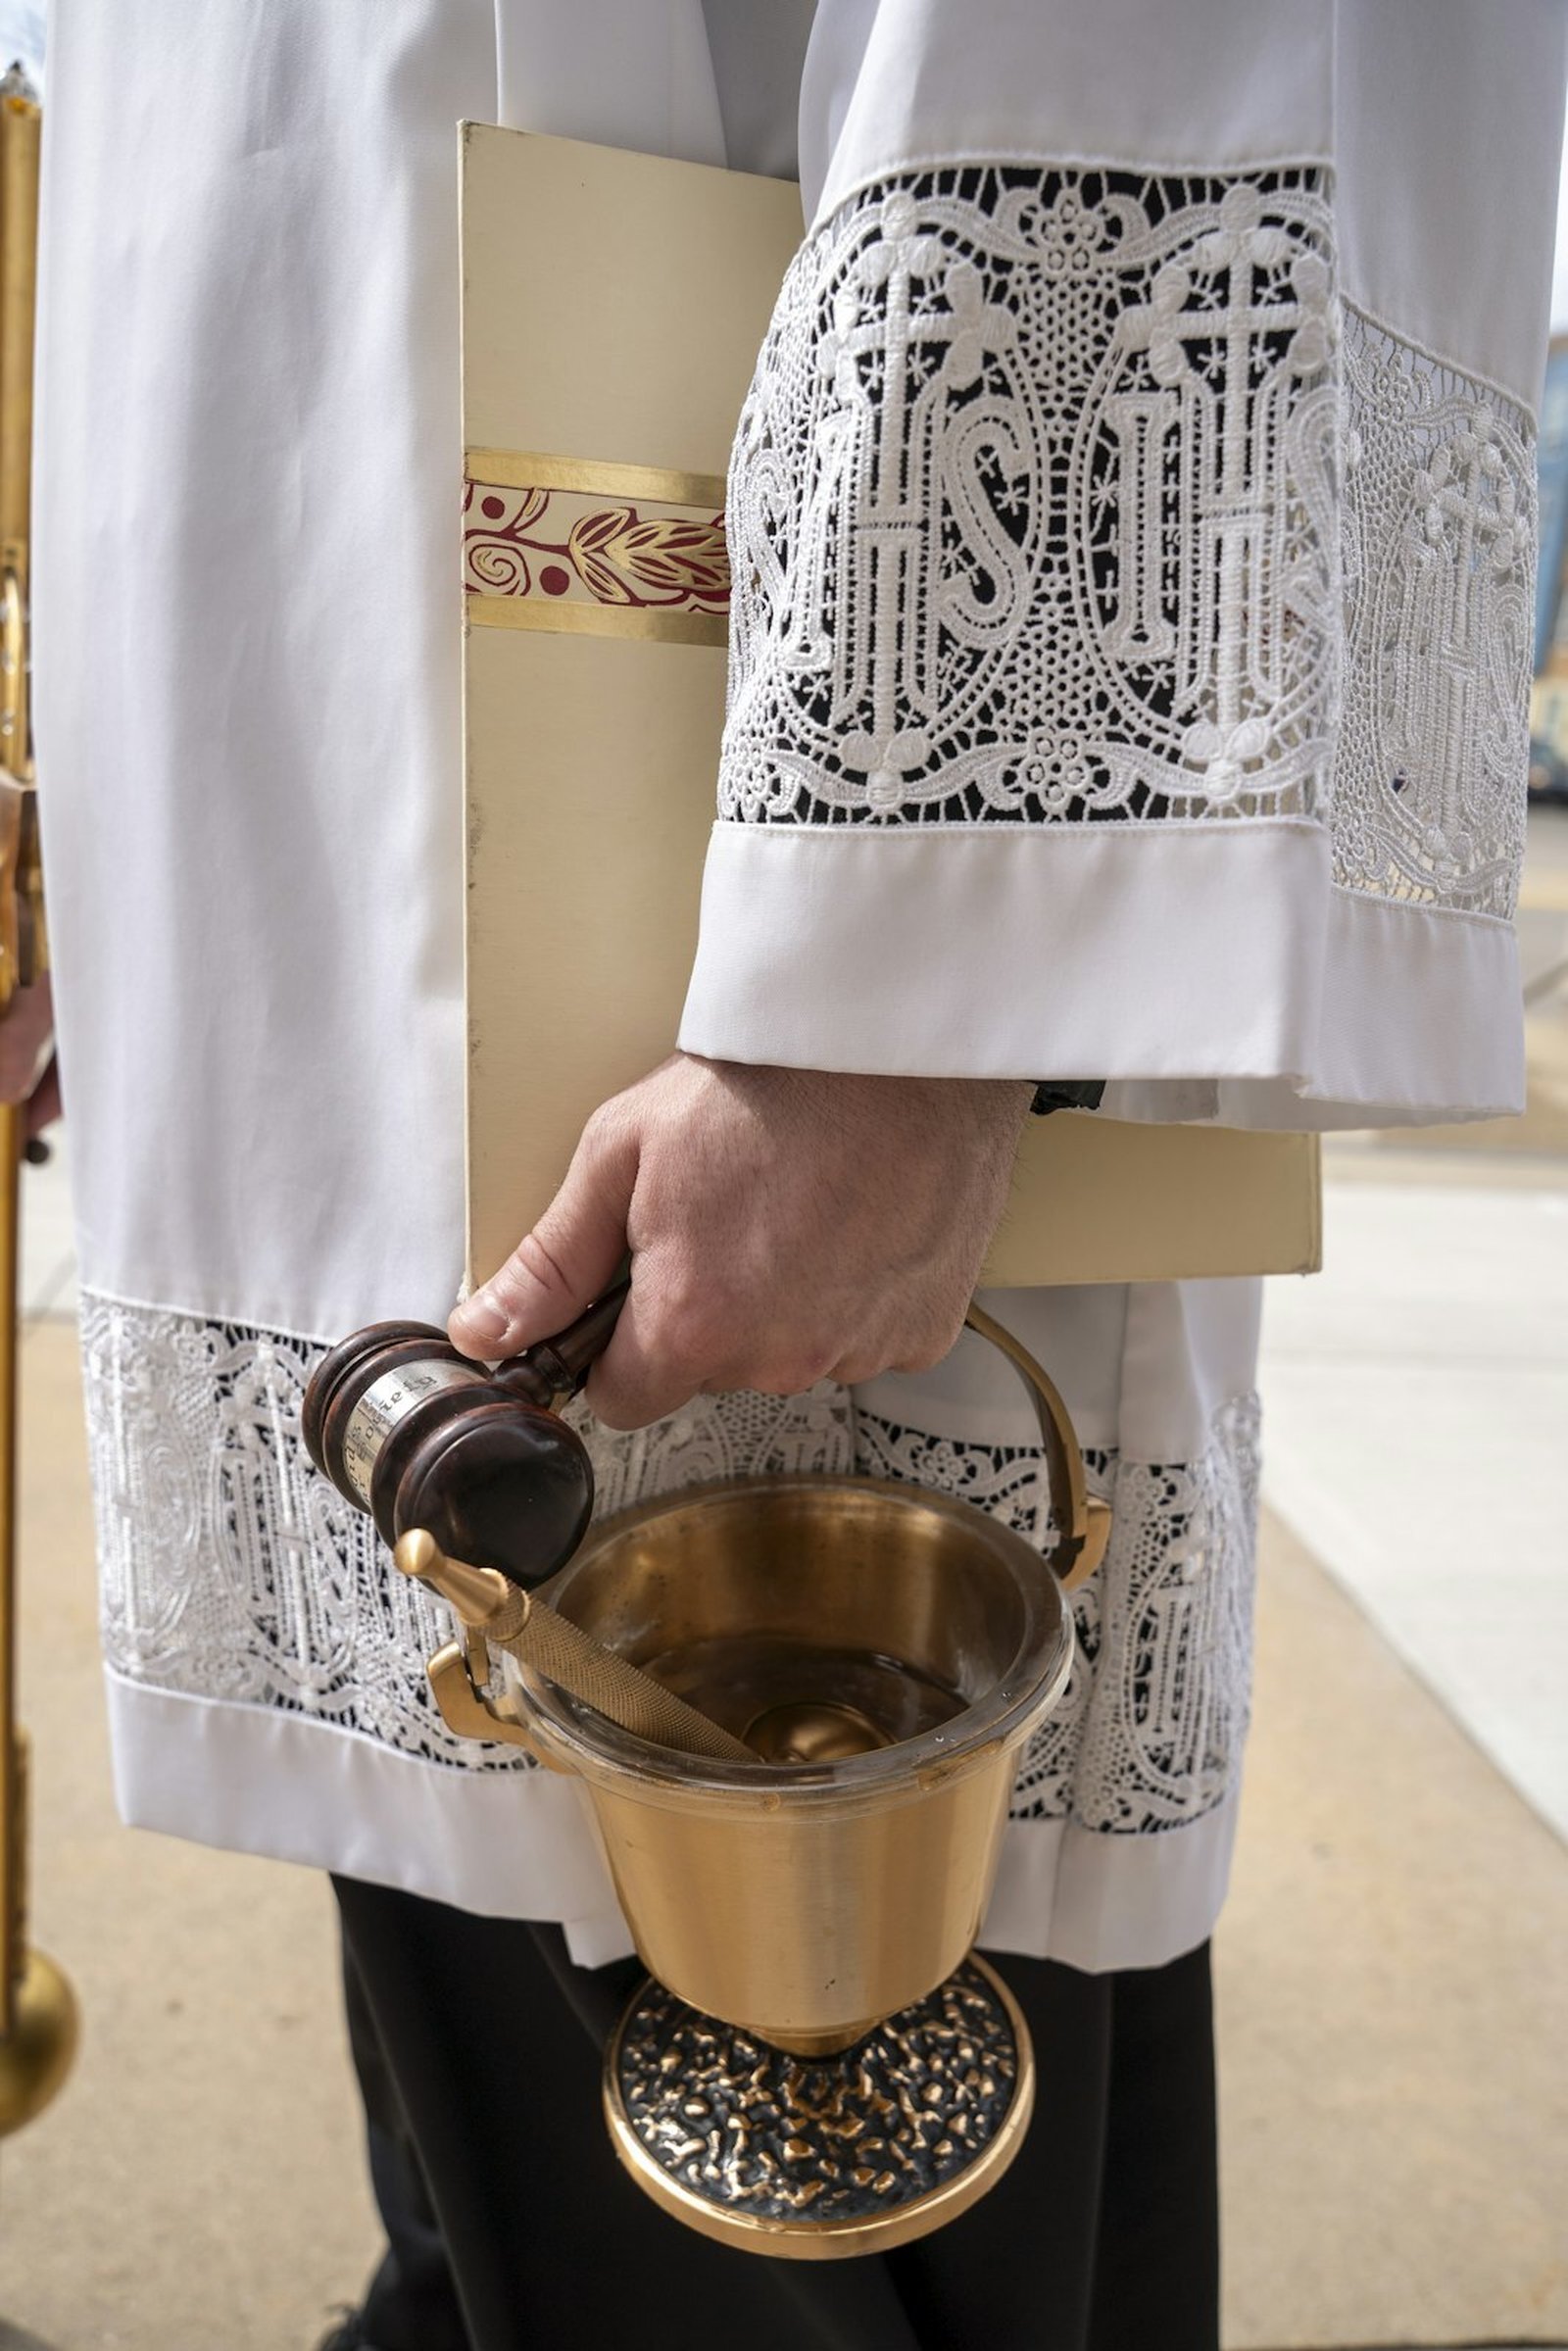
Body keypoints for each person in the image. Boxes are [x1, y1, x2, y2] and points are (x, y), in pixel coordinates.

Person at [31, 4, 1565, 2346]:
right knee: (458, 1966)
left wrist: (896, 966)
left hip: (722, 878)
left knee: (787, 2107)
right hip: (296, 723)